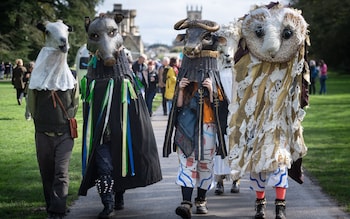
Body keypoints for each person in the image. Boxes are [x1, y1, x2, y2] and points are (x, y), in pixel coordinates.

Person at [27, 48, 79, 219]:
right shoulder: (37, 79)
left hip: (64, 133)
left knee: (61, 172)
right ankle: (52, 205)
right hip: (43, 133)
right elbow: (32, 104)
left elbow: (75, 103)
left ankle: (58, 209)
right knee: (46, 171)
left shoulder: (70, 78)